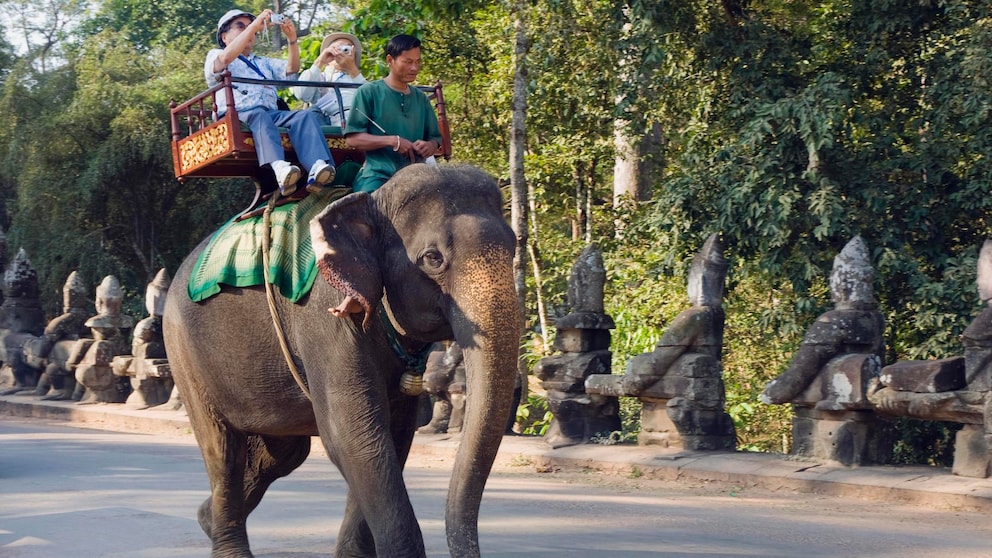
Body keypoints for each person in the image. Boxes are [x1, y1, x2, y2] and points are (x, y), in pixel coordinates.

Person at [205, 9, 336, 196]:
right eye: (240, 26)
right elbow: (224, 59)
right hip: (237, 115)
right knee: (259, 116)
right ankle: (280, 168)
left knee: (303, 116)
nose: (249, 31)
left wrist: (292, 39)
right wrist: (254, 25)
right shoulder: (216, 54)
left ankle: (317, 166)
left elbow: (291, 70)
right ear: (224, 36)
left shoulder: (262, 62)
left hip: (270, 115)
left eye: (251, 29)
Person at [345, 34, 443, 194]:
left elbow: (435, 139)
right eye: (408, 62)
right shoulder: (368, 92)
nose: (414, 68)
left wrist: (429, 146)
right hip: (377, 175)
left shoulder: (421, 99)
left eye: (418, 62)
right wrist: (392, 141)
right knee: (368, 210)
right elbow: (352, 139)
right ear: (390, 60)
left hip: (417, 176)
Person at [291, 32, 366, 127]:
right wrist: (319, 62)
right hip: (327, 124)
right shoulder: (318, 77)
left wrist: (352, 68)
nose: (341, 52)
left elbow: (373, 101)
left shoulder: (358, 79)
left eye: (347, 49)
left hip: (358, 124)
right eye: (337, 48)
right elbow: (302, 95)